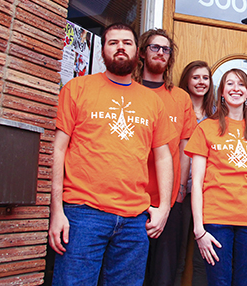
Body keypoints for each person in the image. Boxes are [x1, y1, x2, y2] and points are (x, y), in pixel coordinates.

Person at [48, 23, 177, 286]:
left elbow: (163, 156)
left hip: (134, 219)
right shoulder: (76, 88)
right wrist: (56, 211)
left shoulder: (153, 101)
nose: (120, 47)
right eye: (113, 42)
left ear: (137, 51)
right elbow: (58, 149)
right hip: (83, 213)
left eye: (127, 43)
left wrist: (164, 207)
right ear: (103, 51)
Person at [185, 69, 247, 286]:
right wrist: (199, 229)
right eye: (230, 84)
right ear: (222, 92)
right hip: (216, 220)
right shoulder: (206, 128)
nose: (236, 89)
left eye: (241, 84)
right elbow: (196, 182)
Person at [133, 29, 197, 286]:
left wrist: (180, 188)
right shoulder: (129, 90)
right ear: (142, 52)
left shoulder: (180, 97)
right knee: (128, 272)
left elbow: (185, 145)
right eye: (154, 47)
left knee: (164, 274)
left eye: (166, 49)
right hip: (130, 199)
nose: (160, 52)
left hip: (168, 201)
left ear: (170, 58)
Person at [175, 60, 215, 286]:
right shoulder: (177, 108)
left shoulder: (217, 115)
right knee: (176, 254)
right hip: (180, 191)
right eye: (196, 77)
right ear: (187, 81)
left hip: (207, 193)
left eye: (205, 78)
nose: (201, 82)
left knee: (204, 254)